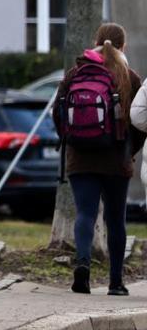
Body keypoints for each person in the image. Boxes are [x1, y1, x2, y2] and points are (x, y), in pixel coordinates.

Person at [54, 23, 144, 295]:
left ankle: (82, 265)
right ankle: (116, 283)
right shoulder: (129, 77)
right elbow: (140, 122)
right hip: (116, 159)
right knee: (115, 219)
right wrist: (130, 151)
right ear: (123, 46)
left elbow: (58, 112)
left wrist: (70, 140)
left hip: (80, 158)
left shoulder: (75, 73)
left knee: (85, 213)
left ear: (96, 41)